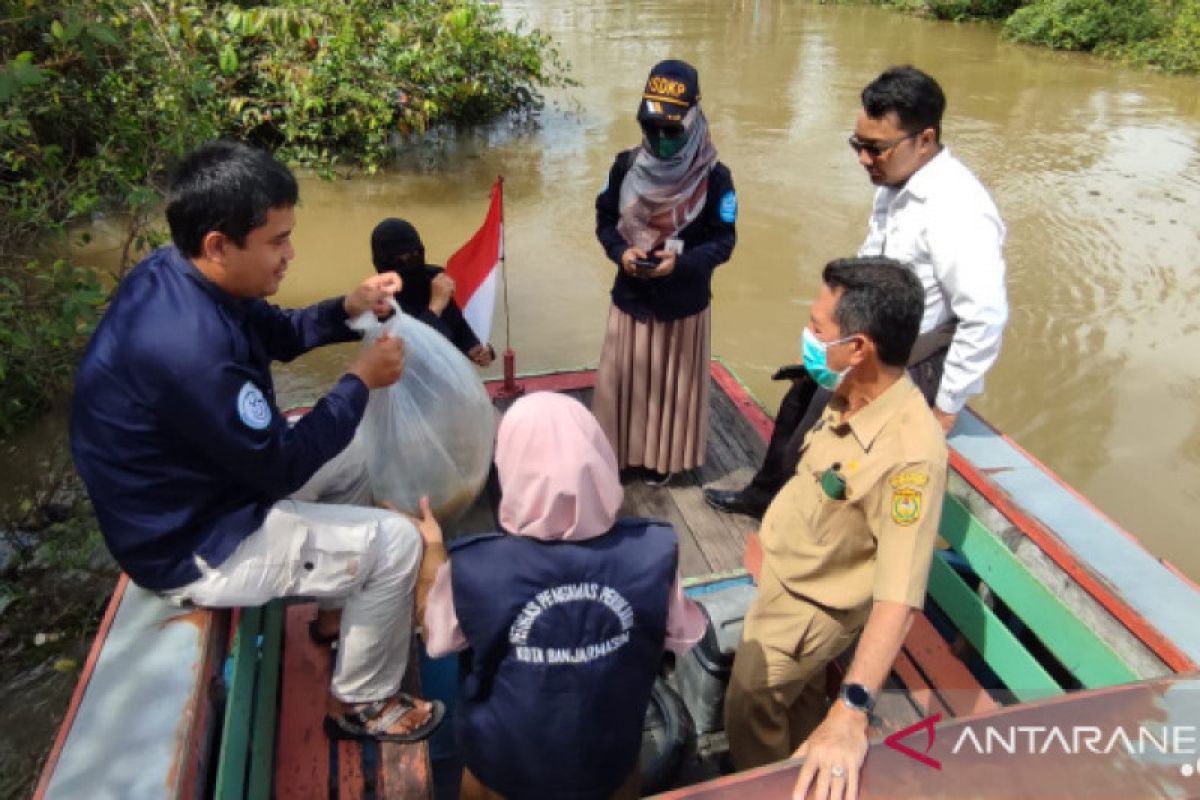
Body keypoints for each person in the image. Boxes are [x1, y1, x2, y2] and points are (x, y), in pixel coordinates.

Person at [69, 140, 443, 743]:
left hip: (204, 489)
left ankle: (330, 620)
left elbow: (282, 331)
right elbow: (282, 468)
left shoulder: (181, 273)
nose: (291, 253)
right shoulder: (189, 351)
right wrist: (359, 379)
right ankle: (365, 705)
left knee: (359, 449)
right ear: (219, 244)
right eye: (277, 240)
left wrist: (349, 307)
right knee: (398, 544)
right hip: (192, 542)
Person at [704, 64, 1006, 518]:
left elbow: (984, 316)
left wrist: (945, 408)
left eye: (875, 149)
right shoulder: (894, 183)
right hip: (870, 333)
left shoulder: (959, 210)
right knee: (803, 393)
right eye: (857, 145)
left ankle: (810, 530)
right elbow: (871, 262)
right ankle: (765, 498)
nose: (864, 159)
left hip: (916, 354)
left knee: (836, 438)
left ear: (924, 139)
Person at [721, 257, 948, 799]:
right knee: (792, 714)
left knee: (747, 709)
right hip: (784, 576)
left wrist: (851, 710)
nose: (808, 336)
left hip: (810, 611)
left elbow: (899, 594)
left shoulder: (911, 454)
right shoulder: (847, 393)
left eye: (819, 328)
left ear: (860, 346)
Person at [415, 392, 706, 799]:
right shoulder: (652, 553)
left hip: (503, 771)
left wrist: (431, 553)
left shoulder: (473, 568)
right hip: (609, 765)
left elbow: (436, 635)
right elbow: (682, 636)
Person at [593, 58, 737, 484]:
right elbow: (603, 220)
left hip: (682, 304)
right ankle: (618, 454)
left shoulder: (716, 179)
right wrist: (620, 252)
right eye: (652, 128)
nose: (660, 138)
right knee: (624, 383)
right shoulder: (624, 167)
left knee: (670, 393)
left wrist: (682, 264)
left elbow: (723, 242)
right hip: (632, 299)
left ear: (692, 121)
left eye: (671, 130)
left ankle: (663, 463)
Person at [370, 216, 495, 367]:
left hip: (448, 375)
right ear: (380, 265)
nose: (408, 265)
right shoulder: (377, 303)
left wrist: (473, 347)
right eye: (396, 261)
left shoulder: (435, 279)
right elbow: (409, 352)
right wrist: (435, 308)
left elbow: (456, 324)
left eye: (414, 256)